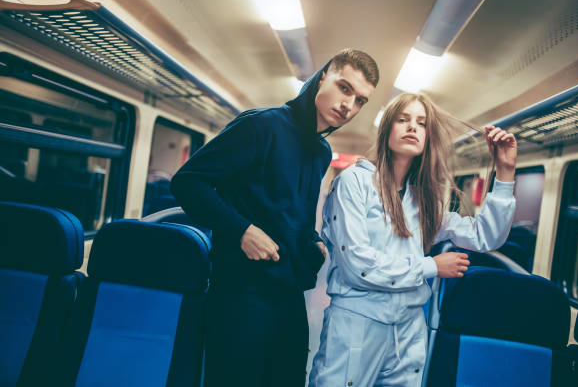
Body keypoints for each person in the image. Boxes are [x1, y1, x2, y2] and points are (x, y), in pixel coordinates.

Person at [170, 49, 379, 387]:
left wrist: (312, 241)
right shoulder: (260, 126)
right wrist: (241, 230)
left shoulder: (321, 152)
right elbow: (188, 182)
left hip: (290, 293)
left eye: (359, 101)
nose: (348, 105)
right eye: (344, 88)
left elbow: (293, 212)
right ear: (323, 76)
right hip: (241, 293)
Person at [308, 92, 517, 387]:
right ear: (386, 130)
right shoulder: (354, 183)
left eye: (421, 123)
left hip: (408, 326)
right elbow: (358, 265)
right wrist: (430, 266)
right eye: (402, 120)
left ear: (428, 137)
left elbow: (486, 237)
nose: (412, 127)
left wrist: (505, 172)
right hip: (359, 321)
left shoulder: (424, 200)